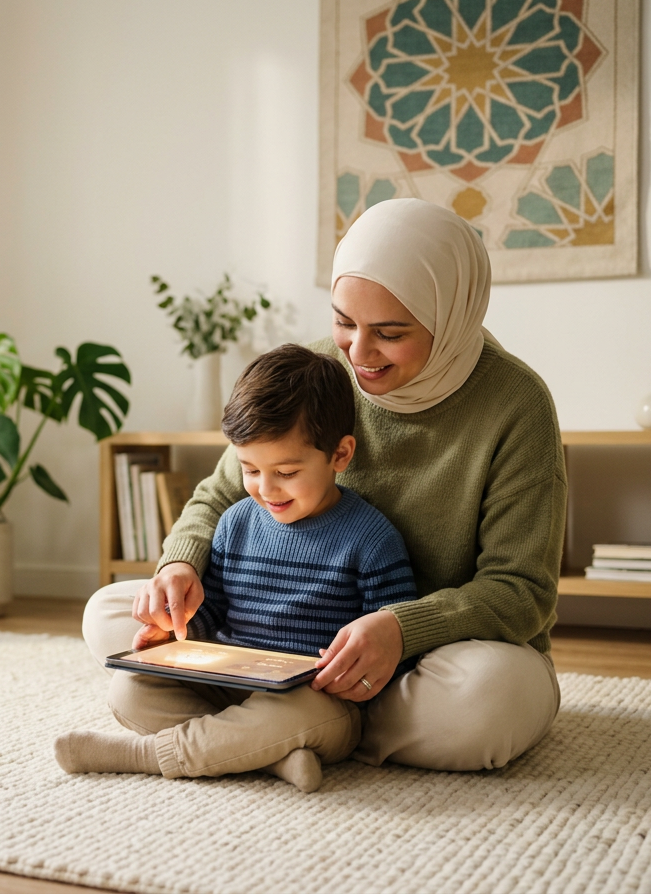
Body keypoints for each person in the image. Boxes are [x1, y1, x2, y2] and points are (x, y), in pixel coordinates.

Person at [82, 198, 565, 772]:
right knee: (110, 613)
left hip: (427, 657)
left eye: (390, 332)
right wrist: (178, 569)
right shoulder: (315, 375)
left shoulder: (516, 404)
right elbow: (220, 494)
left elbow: (520, 590)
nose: (358, 353)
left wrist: (401, 629)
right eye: (343, 322)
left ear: (451, 317)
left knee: (489, 698)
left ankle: (286, 725)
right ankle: (292, 733)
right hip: (275, 645)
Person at [55, 344, 418, 791]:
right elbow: (214, 611)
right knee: (128, 690)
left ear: (340, 455)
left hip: (315, 700)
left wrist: (349, 673)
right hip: (228, 683)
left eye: (286, 472)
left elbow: (394, 646)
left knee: (296, 715)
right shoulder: (233, 523)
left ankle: (146, 755)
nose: (266, 490)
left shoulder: (373, 538)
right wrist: (174, 630)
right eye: (249, 470)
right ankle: (272, 758)